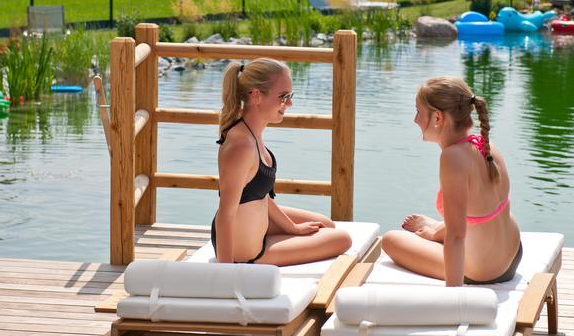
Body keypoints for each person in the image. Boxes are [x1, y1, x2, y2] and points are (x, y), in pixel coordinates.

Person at [381, 76, 522, 287]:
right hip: (513, 252)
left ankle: (437, 230)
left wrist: (453, 301)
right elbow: (478, 215)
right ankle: (436, 229)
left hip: (484, 271)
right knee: (462, 221)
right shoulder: (486, 145)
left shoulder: (453, 158)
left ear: (438, 118)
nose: (415, 120)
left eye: (419, 112)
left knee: (390, 240)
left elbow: (457, 236)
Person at [212, 57, 352, 265]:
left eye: (290, 95)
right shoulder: (241, 146)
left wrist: (291, 228)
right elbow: (226, 213)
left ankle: (281, 233)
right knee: (342, 239)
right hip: (246, 250)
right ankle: (258, 251)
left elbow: (256, 193)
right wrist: (225, 273)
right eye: (283, 96)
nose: (289, 103)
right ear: (256, 96)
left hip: (256, 222)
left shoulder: (252, 132)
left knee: (325, 225)